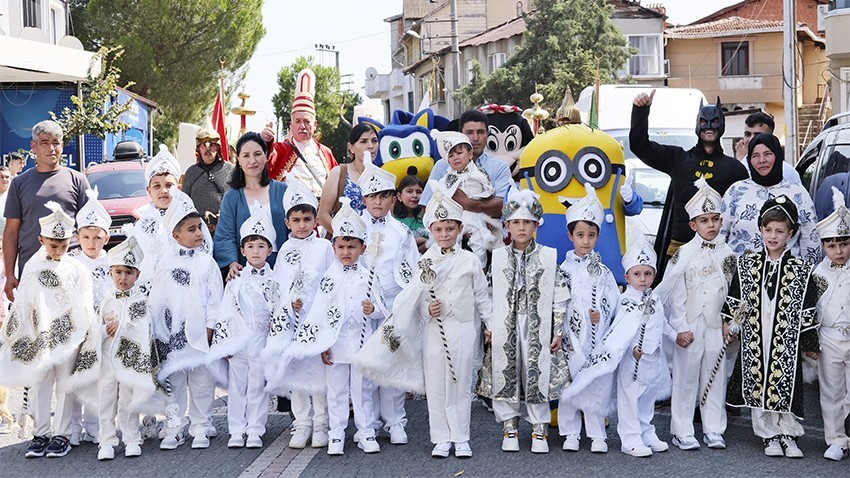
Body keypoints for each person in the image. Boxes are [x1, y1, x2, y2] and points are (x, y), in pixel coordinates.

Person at [284, 198, 385, 455]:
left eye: (352, 247)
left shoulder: (369, 277)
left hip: (362, 344)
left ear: (362, 249)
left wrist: (373, 310)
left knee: (362, 391)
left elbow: (384, 309)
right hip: (336, 344)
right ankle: (337, 434)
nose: (346, 252)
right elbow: (318, 313)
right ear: (334, 247)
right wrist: (321, 345)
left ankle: (366, 432)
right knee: (336, 391)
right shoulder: (328, 278)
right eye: (341, 247)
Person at [724, 196, 823, 458]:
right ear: (760, 229)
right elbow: (736, 298)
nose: (773, 236)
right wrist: (730, 323)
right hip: (757, 334)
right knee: (758, 378)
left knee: (784, 381)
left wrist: (809, 341)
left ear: (790, 233)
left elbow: (808, 307)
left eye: (779, 231)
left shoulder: (801, 269)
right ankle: (768, 434)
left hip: (785, 337)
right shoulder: (747, 265)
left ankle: (787, 433)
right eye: (768, 230)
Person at [0, 203, 96, 459]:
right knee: (40, 383)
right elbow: (25, 301)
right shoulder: (31, 265)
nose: (59, 250)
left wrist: (84, 333)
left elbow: (85, 304)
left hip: (69, 337)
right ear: (41, 239)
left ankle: (62, 434)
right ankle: (40, 433)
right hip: (40, 337)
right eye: (53, 245)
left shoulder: (77, 269)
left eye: (64, 245)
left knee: (65, 385)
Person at [483, 188, 568, 454]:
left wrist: (557, 327)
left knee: (537, 372)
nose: (521, 227)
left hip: (538, 324)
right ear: (507, 225)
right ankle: (509, 426)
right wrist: (489, 326)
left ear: (536, 225)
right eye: (516, 222)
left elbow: (559, 294)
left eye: (527, 222)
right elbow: (487, 294)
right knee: (506, 370)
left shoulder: (549, 256)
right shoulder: (497, 258)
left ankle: (539, 428)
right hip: (505, 323)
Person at [655, 178, 736, 451]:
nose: (711, 225)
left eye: (715, 219)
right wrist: (679, 327)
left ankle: (714, 428)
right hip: (690, 324)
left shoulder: (729, 254)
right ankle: (682, 429)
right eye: (704, 220)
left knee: (715, 378)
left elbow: (734, 293)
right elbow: (675, 295)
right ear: (693, 225)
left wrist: (731, 322)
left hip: (716, 325)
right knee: (686, 378)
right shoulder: (683, 254)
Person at [630, 91, 748, 265]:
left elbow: (743, 214)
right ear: (697, 125)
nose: (709, 126)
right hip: (679, 249)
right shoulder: (678, 158)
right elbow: (640, 146)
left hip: (717, 251)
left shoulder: (735, 169)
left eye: (714, 121)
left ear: (721, 124)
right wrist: (640, 111)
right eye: (703, 121)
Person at [263, 176, 333, 449]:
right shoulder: (284, 251)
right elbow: (277, 287)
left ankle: (321, 423)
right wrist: (284, 308)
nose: (302, 225)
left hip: (315, 321)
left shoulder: (324, 248)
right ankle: (302, 423)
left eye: (307, 219)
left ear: (315, 220)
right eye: (296, 220)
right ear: (287, 223)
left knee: (318, 375)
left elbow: (331, 283)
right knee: (297, 375)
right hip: (291, 323)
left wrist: (319, 311)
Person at [150, 187, 223, 450]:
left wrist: (210, 328)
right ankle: (175, 424)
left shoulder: (207, 263)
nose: (199, 234)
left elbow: (216, 300)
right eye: (191, 229)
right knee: (176, 382)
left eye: (200, 228)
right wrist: (160, 334)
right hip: (173, 336)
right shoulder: (165, 264)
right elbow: (157, 302)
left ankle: (201, 425)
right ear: (175, 235)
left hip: (200, 334)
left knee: (203, 381)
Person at [358, 153, 419, 446]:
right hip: (361, 312)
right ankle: (366, 425)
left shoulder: (402, 233)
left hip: (392, 311)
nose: (378, 202)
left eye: (383, 196)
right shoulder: (353, 229)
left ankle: (395, 421)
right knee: (365, 370)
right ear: (364, 199)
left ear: (393, 199)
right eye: (372, 197)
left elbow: (413, 271)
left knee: (392, 365)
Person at [557, 183, 621, 453]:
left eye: (591, 235)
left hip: (595, 338)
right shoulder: (562, 270)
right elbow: (556, 303)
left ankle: (597, 433)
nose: (586, 240)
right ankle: (570, 432)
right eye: (580, 235)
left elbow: (614, 304)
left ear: (597, 237)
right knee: (569, 383)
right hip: (570, 339)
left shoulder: (604, 272)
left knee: (595, 382)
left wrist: (601, 313)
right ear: (570, 236)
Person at [209, 208, 278, 450]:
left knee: (258, 386)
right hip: (239, 340)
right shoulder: (235, 279)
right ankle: (236, 429)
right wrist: (225, 342)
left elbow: (277, 311)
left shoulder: (275, 279)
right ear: (242, 251)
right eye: (250, 246)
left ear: (270, 250)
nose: (256, 251)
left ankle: (255, 429)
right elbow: (226, 311)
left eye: (261, 246)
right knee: (238, 387)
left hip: (261, 339)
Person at [4, 120, 90, 301]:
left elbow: (89, 228)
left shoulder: (78, 181)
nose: (51, 148)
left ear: (62, 145)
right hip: (30, 271)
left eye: (56, 142)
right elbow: (11, 233)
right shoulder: (19, 184)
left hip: (69, 271)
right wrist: (10, 274)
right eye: (44, 142)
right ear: (33, 146)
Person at [95, 234, 159, 460]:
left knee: (128, 400)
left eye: (129, 273)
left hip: (130, 359)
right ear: (110, 273)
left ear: (137, 275)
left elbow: (143, 328)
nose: (123, 278)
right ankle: (106, 440)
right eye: (119, 272)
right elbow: (95, 329)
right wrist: (104, 330)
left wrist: (121, 327)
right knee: (106, 399)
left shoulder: (140, 301)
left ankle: (131, 437)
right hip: (107, 360)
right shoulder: (106, 301)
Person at [720, 133, 820, 263]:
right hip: (740, 278)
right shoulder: (735, 191)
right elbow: (719, 235)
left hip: (786, 278)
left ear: (778, 156)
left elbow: (811, 240)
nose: (762, 160)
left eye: (767, 154)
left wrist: (808, 277)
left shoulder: (798, 193)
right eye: (755, 156)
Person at [66, 187, 114, 446]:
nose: (91, 243)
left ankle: (94, 426)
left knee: (99, 378)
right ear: (78, 237)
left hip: (104, 330)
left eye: (97, 237)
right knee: (76, 378)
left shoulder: (112, 265)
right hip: (78, 330)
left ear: (105, 238)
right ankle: (73, 427)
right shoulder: (72, 264)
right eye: (86, 237)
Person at [615, 240, 671, 457]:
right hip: (633, 359)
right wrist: (631, 349)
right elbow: (620, 329)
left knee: (648, 396)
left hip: (652, 358)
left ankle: (646, 431)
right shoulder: (625, 301)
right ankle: (629, 438)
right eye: (637, 274)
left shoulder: (655, 298)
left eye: (647, 274)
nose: (643, 279)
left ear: (653, 276)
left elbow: (662, 323)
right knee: (630, 397)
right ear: (628, 277)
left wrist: (677, 336)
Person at [214, 132, 288, 278]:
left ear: (266, 156)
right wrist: (232, 262)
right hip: (246, 269)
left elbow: (296, 227)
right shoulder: (232, 197)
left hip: (282, 267)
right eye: (246, 155)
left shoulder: (282, 190)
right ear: (238, 160)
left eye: (257, 154)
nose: (252, 160)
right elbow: (225, 235)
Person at [813, 187, 850, 461]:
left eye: (844, 243)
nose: (839, 251)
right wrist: (810, 341)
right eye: (832, 245)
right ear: (823, 245)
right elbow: (811, 309)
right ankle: (836, 438)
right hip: (829, 338)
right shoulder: (817, 273)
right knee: (832, 390)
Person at [419, 110, 513, 219]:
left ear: (487, 134)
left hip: (488, 233)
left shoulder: (500, 167)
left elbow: (503, 206)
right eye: (469, 132)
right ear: (460, 134)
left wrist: (469, 203)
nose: (475, 138)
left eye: (480, 132)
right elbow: (425, 209)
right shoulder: (442, 165)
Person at [262, 68, 338, 195]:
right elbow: (265, 163)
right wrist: (264, 142)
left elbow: (338, 182)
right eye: (297, 121)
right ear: (291, 125)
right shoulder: (280, 150)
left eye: (307, 121)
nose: (302, 126)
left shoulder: (326, 153)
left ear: (315, 125)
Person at [432, 130, 502, 264]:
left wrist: (479, 207)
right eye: (451, 156)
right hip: (455, 215)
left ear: (470, 154)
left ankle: (482, 275)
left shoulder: (479, 173)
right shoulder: (446, 179)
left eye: (459, 153)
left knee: (479, 245)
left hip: (476, 215)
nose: (455, 158)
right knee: (450, 244)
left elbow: (488, 193)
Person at [317, 123, 376, 232]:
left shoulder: (382, 177)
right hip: (345, 245)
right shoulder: (339, 173)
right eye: (363, 141)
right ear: (351, 148)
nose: (371, 146)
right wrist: (345, 235)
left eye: (374, 141)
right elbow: (323, 215)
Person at [182, 119, 235, 234]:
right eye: (204, 145)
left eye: (212, 145)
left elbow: (238, 201)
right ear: (198, 149)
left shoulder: (231, 170)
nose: (208, 149)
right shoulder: (191, 172)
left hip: (225, 229)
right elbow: (183, 203)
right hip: (197, 231)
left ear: (218, 147)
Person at [734, 112, 801, 185]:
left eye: (758, 135)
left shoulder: (787, 172)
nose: (751, 139)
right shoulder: (735, 170)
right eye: (747, 134)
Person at [394, 175, 428, 253]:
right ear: (399, 196)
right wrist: (420, 240)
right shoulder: (394, 222)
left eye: (419, 192)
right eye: (409, 191)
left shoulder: (428, 218)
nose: (415, 195)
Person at [0, 166, 12, 236]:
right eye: (1, 177)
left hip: (12, 239)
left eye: (7, 177)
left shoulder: (16, 195)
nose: (4, 179)